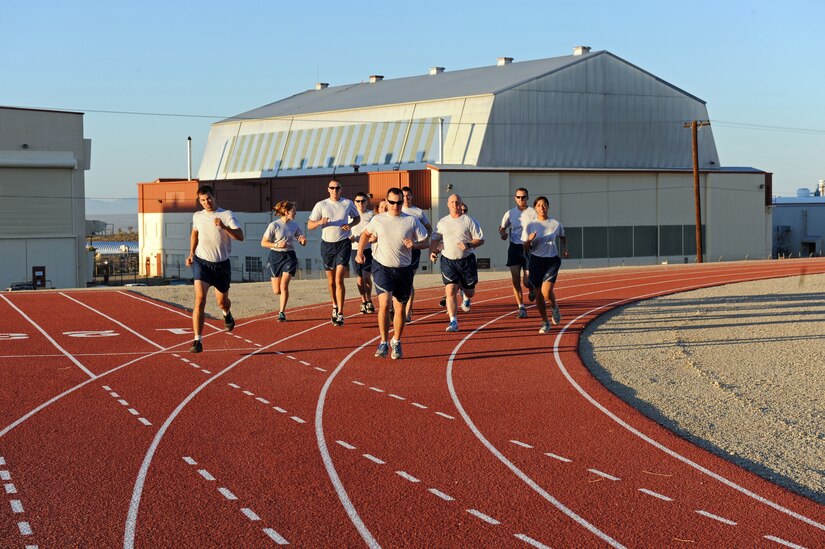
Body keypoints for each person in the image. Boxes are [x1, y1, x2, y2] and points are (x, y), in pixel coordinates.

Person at [356, 187, 428, 360]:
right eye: (392, 202)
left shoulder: (411, 220)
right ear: (386, 202)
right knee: (385, 304)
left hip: (404, 269)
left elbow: (426, 241)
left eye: (399, 202)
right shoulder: (378, 220)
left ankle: (396, 341)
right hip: (382, 267)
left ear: (403, 203)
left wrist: (415, 245)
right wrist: (359, 252)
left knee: (399, 309)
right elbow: (365, 234)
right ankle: (383, 342)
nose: (396, 206)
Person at [185, 185, 245, 353]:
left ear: (214, 196)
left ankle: (227, 313)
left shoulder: (226, 215)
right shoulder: (197, 216)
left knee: (222, 302)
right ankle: (197, 341)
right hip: (201, 262)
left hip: (221, 265)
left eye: (208, 198)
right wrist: (191, 253)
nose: (206, 202)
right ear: (199, 200)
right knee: (200, 299)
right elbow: (194, 233)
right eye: (202, 200)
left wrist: (224, 227)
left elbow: (240, 236)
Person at [308, 178, 360, 326]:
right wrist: (319, 223)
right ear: (328, 189)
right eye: (332, 188)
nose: (335, 191)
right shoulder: (321, 205)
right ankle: (334, 306)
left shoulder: (347, 203)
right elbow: (310, 225)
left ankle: (341, 313)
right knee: (331, 281)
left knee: (339, 280)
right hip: (327, 246)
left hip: (343, 243)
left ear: (341, 189)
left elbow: (357, 218)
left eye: (337, 188)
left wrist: (349, 225)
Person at [429, 194, 484, 332]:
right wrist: (433, 252)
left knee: (470, 291)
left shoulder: (470, 221)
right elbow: (435, 238)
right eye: (452, 202)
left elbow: (481, 239)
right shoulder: (442, 222)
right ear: (448, 204)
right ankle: (453, 321)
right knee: (450, 290)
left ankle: (466, 296)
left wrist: (469, 244)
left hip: (467, 261)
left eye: (457, 202)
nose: (455, 204)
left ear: (461, 204)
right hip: (448, 261)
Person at [522, 196, 568, 334]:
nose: (542, 208)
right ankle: (545, 322)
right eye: (539, 205)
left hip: (551, 261)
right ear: (535, 208)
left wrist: (565, 248)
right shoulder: (530, 225)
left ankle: (554, 307)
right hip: (536, 261)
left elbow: (562, 236)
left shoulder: (555, 223)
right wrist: (529, 241)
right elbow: (525, 247)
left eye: (544, 205)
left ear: (548, 207)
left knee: (546, 292)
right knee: (538, 295)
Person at [261, 200, 307, 322]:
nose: (295, 213)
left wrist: (303, 241)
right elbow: (263, 243)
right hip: (275, 256)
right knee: (277, 291)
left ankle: (281, 312)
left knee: (284, 285)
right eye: (293, 211)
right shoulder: (274, 225)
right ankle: (281, 306)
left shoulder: (295, 225)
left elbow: (301, 239)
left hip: (289, 256)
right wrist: (276, 245)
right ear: (286, 212)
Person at [499, 187, 538, 319]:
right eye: (518, 197)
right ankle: (521, 307)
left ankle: (531, 288)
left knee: (527, 281)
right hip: (515, 248)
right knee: (515, 279)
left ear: (528, 198)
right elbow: (502, 227)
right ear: (515, 198)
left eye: (523, 197)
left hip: (529, 248)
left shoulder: (533, 213)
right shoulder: (510, 213)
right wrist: (502, 233)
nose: (521, 199)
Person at [400, 186, 432, 322]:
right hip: (399, 250)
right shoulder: (398, 210)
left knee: (409, 281)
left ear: (412, 196)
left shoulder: (418, 212)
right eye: (404, 196)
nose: (406, 198)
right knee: (399, 281)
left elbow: (429, 229)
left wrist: (420, 241)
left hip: (413, 250)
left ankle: (408, 311)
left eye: (408, 195)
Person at [350, 191, 376, 313]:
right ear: (354, 203)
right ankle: (363, 301)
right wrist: (349, 237)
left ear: (367, 202)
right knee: (360, 278)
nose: (361, 203)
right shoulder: (350, 216)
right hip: (354, 249)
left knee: (366, 276)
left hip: (368, 250)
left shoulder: (371, 215)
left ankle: (369, 300)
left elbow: (376, 230)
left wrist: (373, 238)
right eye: (358, 201)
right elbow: (344, 230)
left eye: (363, 201)